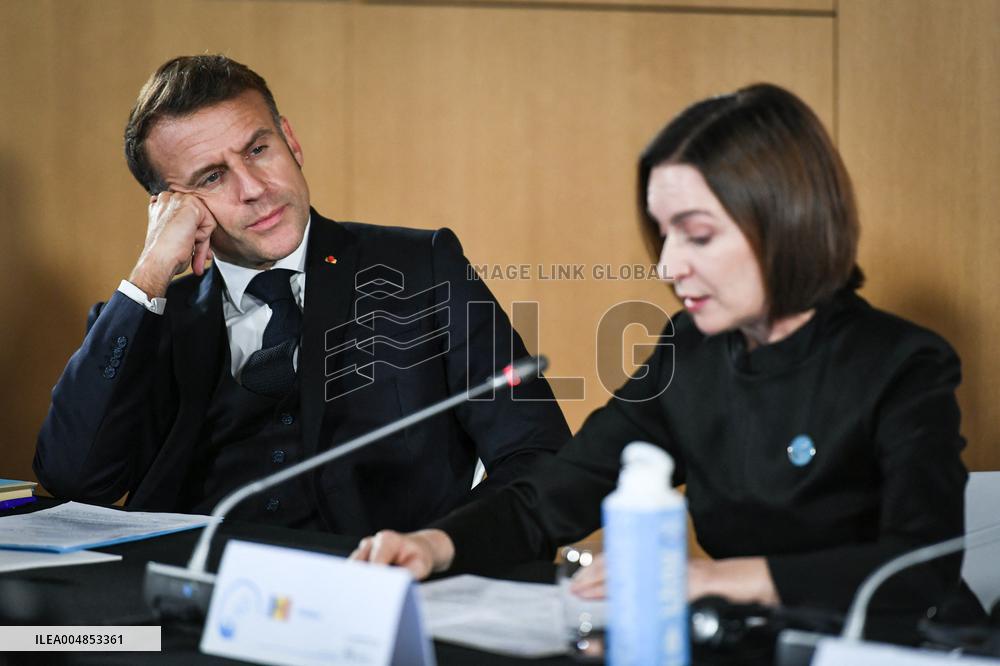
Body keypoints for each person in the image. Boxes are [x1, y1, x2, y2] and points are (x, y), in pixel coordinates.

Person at [351, 83, 979, 618]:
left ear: (788, 221)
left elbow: (919, 567)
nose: (669, 266)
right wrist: (436, 545)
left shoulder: (903, 363)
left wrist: (711, 581)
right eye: (662, 234)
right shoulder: (690, 348)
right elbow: (553, 495)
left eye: (698, 235)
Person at [33, 55, 570, 536]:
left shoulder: (423, 266)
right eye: (213, 177)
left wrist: (444, 548)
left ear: (290, 140)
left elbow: (536, 453)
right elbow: (74, 478)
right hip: (194, 595)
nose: (254, 188)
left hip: (373, 595)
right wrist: (150, 271)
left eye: (259, 149)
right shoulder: (154, 316)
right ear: (171, 207)